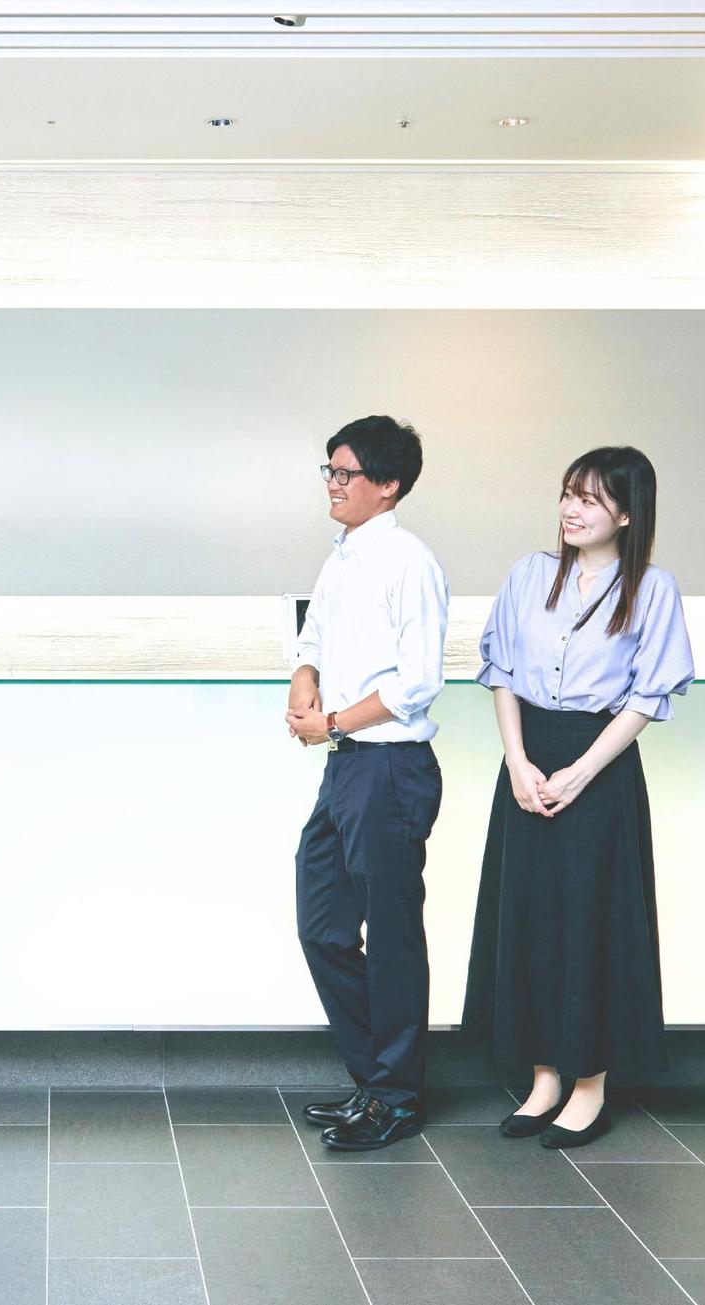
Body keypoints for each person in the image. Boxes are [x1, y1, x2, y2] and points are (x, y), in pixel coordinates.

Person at [464, 446, 694, 1149]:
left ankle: (589, 1083)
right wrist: (517, 762)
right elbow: (501, 670)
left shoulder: (652, 589)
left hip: (600, 767)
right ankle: (542, 1076)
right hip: (527, 759)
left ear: (626, 513)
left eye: (590, 499)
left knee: (592, 921)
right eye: (568, 494)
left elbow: (646, 697)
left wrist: (581, 772)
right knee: (529, 915)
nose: (571, 509)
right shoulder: (529, 574)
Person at [285, 415, 450, 1153]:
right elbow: (315, 637)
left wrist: (332, 722)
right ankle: (374, 1080)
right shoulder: (342, 556)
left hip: (388, 766)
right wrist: (304, 679)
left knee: (390, 937)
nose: (332, 483)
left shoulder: (410, 562)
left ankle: (396, 1097)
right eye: (329, 469)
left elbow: (418, 682)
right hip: (347, 766)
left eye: (345, 472)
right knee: (322, 924)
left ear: (388, 485)